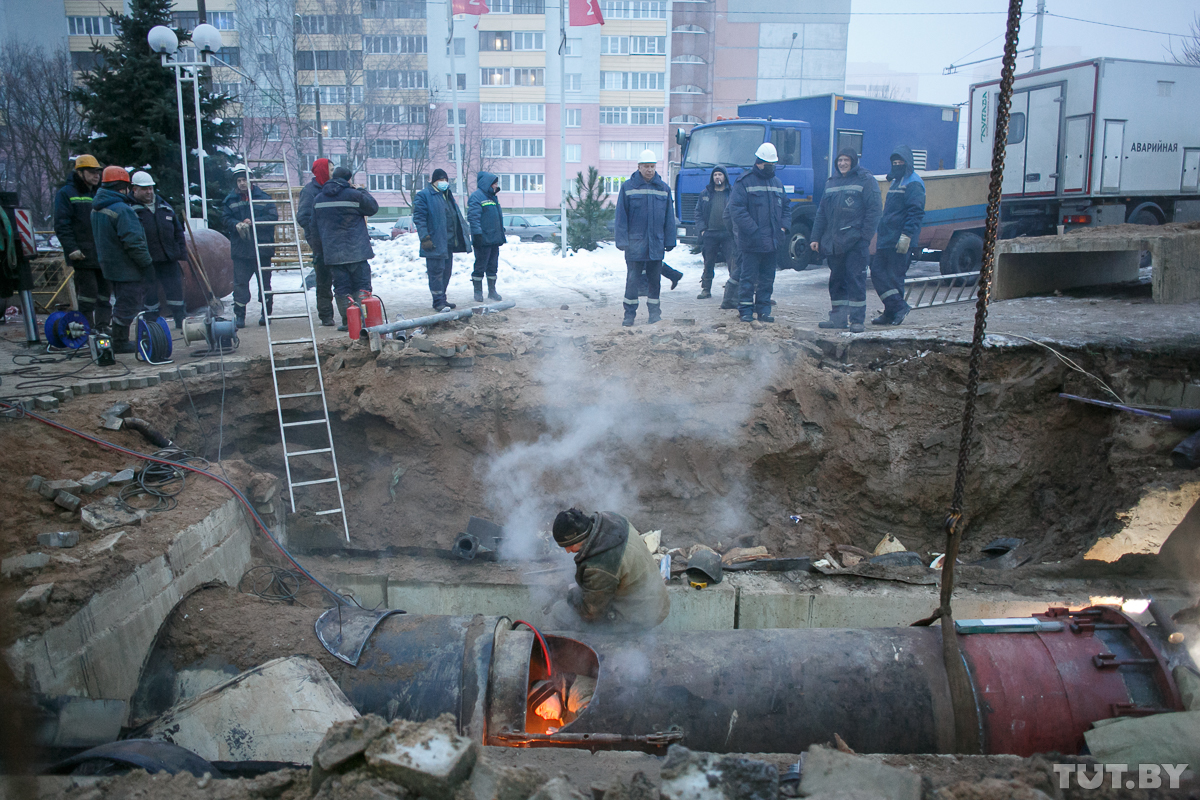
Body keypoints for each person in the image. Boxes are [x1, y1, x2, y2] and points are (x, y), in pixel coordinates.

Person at [547, 507, 670, 631]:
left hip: (641, 616)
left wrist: (572, 593)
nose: (567, 551)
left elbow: (590, 614)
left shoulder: (601, 565)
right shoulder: (614, 520)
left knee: (559, 612)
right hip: (657, 603)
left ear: (577, 539)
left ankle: (608, 642)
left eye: (568, 546)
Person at [809, 147, 883, 332]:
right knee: (836, 280)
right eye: (840, 160)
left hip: (855, 242)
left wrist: (865, 237)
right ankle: (838, 319)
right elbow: (822, 213)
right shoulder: (831, 182)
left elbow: (875, 211)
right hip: (834, 243)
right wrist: (815, 237)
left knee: (855, 280)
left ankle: (857, 320)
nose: (842, 163)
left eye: (846, 160)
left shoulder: (866, 180)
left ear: (853, 161)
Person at [90, 166, 152, 354]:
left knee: (121, 302)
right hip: (127, 268)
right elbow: (134, 242)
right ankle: (119, 340)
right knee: (128, 303)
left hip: (110, 267)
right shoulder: (122, 210)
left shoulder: (97, 208)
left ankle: (118, 338)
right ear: (123, 187)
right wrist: (147, 264)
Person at [311, 165, 379, 330]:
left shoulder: (319, 198)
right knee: (362, 286)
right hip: (357, 251)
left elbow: (313, 228)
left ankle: (349, 322)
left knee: (341, 288)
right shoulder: (354, 195)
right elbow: (373, 208)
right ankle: (363, 320)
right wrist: (362, 190)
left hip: (334, 253)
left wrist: (319, 251)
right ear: (348, 179)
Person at [727, 142, 788, 323]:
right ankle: (745, 310)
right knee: (748, 277)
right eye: (768, 165)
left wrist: (783, 228)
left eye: (773, 165)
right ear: (759, 162)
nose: (771, 168)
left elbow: (786, 208)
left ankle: (764, 310)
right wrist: (753, 230)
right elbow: (736, 209)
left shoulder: (777, 183)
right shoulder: (744, 182)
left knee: (767, 278)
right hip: (751, 242)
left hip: (772, 241)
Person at [615, 150, 675, 326]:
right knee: (632, 281)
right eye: (646, 166)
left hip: (656, 244)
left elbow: (669, 218)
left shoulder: (663, 189)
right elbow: (621, 216)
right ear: (639, 167)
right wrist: (622, 241)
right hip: (635, 245)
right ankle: (629, 315)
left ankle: (654, 314)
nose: (649, 170)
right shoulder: (628, 187)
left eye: (652, 166)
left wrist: (670, 240)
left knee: (654, 281)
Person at [870, 146, 926, 326]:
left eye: (900, 162)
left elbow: (915, 212)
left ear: (908, 162)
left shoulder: (913, 182)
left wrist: (906, 237)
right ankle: (893, 309)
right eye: (894, 162)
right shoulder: (897, 181)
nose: (897, 165)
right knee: (879, 273)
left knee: (893, 277)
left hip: (899, 239)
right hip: (887, 239)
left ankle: (897, 309)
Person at [54, 154, 111, 332]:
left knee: (104, 294)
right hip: (83, 255)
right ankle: (88, 330)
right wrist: (72, 249)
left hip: (101, 253)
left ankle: (103, 328)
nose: (97, 175)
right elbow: (62, 224)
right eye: (92, 172)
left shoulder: (98, 193)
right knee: (88, 294)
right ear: (80, 172)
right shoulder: (66, 194)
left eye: (98, 172)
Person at [221, 164, 278, 328]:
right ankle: (240, 316)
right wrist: (235, 224)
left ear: (250, 180)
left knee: (265, 284)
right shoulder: (230, 200)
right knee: (239, 285)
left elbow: (273, 217)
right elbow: (225, 219)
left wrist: (254, 223)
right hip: (241, 250)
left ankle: (266, 314)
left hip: (262, 249)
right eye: (239, 180)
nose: (241, 183)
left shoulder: (264, 198)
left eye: (244, 179)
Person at [129, 171, 188, 329]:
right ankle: (152, 325)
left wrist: (181, 252)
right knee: (150, 294)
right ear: (134, 189)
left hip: (168, 258)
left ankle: (181, 321)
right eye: (144, 189)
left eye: (150, 188)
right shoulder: (130, 209)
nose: (149, 192)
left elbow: (178, 232)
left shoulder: (164, 207)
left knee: (175, 290)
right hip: (147, 260)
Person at [413, 168, 471, 312]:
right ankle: (437, 301)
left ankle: (442, 299)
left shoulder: (446, 195)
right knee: (436, 272)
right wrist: (424, 237)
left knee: (446, 272)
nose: (444, 182)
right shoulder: (424, 195)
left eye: (446, 179)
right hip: (434, 242)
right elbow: (419, 218)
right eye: (441, 180)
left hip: (448, 242)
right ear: (434, 181)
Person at [296, 157, 336, 327]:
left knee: (340, 278)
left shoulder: (334, 188)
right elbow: (303, 217)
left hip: (336, 240)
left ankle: (348, 313)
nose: (333, 173)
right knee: (324, 278)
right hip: (320, 241)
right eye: (331, 170)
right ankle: (326, 315)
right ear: (322, 171)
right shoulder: (310, 191)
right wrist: (316, 235)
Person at [694, 166, 735, 300]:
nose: (717, 177)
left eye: (720, 174)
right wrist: (702, 230)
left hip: (728, 234)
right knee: (708, 262)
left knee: (733, 263)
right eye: (715, 175)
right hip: (710, 234)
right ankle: (706, 289)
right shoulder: (705, 194)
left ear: (725, 177)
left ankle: (734, 290)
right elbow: (698, 213)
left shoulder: (732, 193)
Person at [466, 171, 506, 303]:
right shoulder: (477, 197)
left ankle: (492, 291)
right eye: (494, 183)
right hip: (483, 239)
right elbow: (474, 217)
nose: (496, 185)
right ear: (488, 183)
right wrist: (477, 234)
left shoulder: (493, 197)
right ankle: (478, 292)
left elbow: (496, 217)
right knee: (480, 266)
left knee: (492, 266)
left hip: (494, 239)